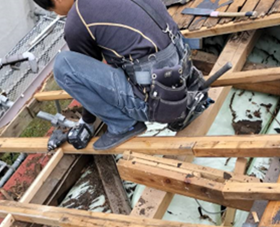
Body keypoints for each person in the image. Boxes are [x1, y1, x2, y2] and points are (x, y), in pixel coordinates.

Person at [33, 0, 206, 150]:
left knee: (64, 65)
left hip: (155, 101)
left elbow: (87, 78)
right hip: (186, 72)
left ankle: (122, 125)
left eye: (53, 10)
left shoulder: (77, 20)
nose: (58, 14)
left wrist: (87, 121)